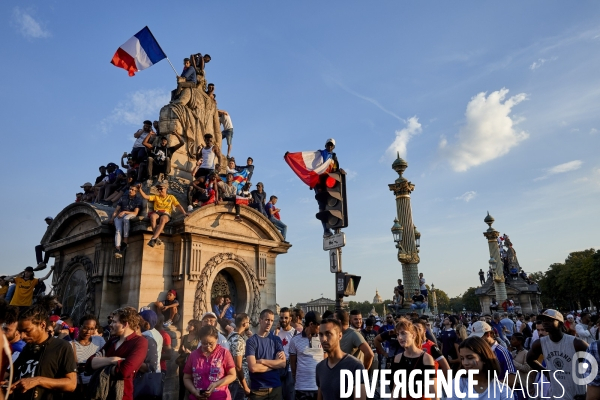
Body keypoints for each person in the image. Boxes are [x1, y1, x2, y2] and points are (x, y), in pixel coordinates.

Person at [10, 297, 78, 400]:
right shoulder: (27, 348)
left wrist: (37, 380)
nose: (22, 336)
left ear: (42, 325)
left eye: (27, 331)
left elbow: (71, 384)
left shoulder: (62, 347)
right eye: (20, 331)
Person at [87, 307, 149, 400]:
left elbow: (124, 371)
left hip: (122, 396)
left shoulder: (140, 342)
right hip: (101, 394)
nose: (110, 325)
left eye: (114, 322)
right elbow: (89, 364)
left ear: (125, 324)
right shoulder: (112, 341)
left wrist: (101, 363)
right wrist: (112, 360)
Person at [526, 309, 588, 400]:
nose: (545, 323)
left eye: (550, 320)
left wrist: (588, 393)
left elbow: (595, 366)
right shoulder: (540, 343)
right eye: (544, 320)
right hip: (556, 395)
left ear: (560, 323)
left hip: (577, 395)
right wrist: (545, 372)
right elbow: (530, 359)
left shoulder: (576, 343)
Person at [445, 336, 513, 400]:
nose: (465, 363)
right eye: (462, 358)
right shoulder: (458, 384)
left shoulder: (503, 390)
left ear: (484, 358)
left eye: (470, 358)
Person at [316, 318, 366, 400]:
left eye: (328, 334)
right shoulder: (320, 367)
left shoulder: (355, 366)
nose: (323, 339)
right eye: (321, 334)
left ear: (340, 335)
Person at [183, 325, 236, 400]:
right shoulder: (193, 355)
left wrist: (216, 384)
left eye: (211, 343)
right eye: (204, 343)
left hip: (221, 397)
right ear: (200, 340)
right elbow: (186, 377)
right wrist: (194, 391)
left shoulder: (224, 353)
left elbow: (232, 375)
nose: (208, 346)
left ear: (217, 339)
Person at [390, 318, 437, 400]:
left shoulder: (426, 358)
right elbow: (396, 389)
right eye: (397, 335)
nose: (400, 337)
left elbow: (434, 392)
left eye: (403, 333)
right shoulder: (397, 358)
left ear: (413, 335)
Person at [245, 309, 286, 399]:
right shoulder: (251, 341)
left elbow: (283, 363)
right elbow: (253, 368)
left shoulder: (276, 340)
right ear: (260, 320)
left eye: (271, 320)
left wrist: (262, 361)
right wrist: (274, 363)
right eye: (267, 320)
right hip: (258, 389)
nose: (269, 323)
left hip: (275, 387)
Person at [138, 181, 189, 247]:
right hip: (157, 212)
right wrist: (140, 189)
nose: (159, 190)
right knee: (153, 216)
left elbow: (178, 205)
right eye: (158, 189)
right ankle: (156, 237)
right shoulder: (156, 197)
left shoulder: (171, 197)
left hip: (166, 213)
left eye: (161, 188)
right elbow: (145, 197)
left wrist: (184, 213)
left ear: (166, 189)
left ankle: (154, 238)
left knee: (163, 219)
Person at [289, 311, 323, 400]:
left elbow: (325, 360)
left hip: (319, 387)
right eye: (318, 324)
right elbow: (293, 365)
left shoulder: (323, 339)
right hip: (302, 387)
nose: (320, 327)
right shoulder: (295, 340)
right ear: (311, 324)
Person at [72, 315, 106, 394]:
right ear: (79, 327)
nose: (88, 332)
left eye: (91, 329)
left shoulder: (99, 340)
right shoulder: (70, 345)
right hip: (78, 387)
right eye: (85, 328)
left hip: (96, 385)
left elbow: (106, 357)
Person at [313, 139, 339, 238]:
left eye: (331, 145)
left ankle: (333, 225)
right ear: (325, 145)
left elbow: (335, 169)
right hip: (319, 183)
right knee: (322, 206)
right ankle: (326, 230)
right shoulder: (319, 153)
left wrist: (340, 171)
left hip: (329, 184)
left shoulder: (334, 157)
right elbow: (308, 159)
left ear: (333, 147)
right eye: (328, 145)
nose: (330, 146)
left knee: (332, 204)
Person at [109, 185, 142, 258]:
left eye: (132, 190)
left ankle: (125, 240)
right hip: (121, 215)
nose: (130, 191)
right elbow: (116, 210)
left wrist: (124, 212)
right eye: (130, 189)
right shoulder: (123, 198)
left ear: (136, 192)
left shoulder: (138, 200)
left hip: (130, 214)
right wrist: (112, 218)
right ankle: (117, 248)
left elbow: (135, 213)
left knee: (126, 219)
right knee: (118, 230)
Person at [227, 313, 251, 400]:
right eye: (249, 323)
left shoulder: (231, 336)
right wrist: (245, 386)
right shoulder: (238, 341)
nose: (249, 324)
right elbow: (238, 366)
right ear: (244, 324)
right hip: (238, 383)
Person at [177, 319, 202, 400]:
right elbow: (179, 351)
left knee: (193, 383)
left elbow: (200, 352)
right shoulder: (184, 337)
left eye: (190, 325)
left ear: (195, 327)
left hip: (193, 363)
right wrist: (181, 349)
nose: (188, 326)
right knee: (182, 383)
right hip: (183, 363)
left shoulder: (199, 339)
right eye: (188, 324)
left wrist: (190, 352)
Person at [276, 307, 297, 400]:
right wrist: (275, 335)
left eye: (286, 318)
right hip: (278, 368)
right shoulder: (276, 332)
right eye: (281, 318)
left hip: (289, 369)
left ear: (290, 318)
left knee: (290, 396)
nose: (283, 320)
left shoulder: (296, 333)